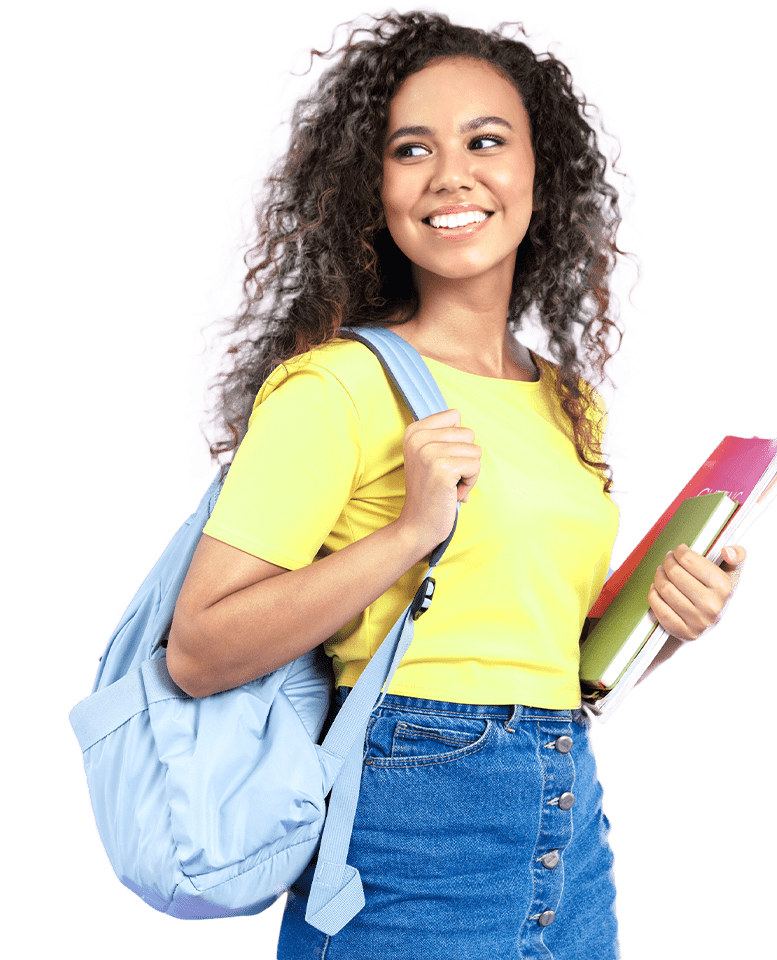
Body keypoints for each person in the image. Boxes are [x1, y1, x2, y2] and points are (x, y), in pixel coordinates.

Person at [168, 6, 747, 958]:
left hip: (570, 820)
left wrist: (670, 624)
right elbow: (198, 651)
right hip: (410, 824)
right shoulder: (337, 388)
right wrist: (409, 532)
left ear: (540, 174)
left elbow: (556, 666)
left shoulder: (572, 406)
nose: (451, 175)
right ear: (373, 187)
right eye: (411, 149)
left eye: (486, 141)